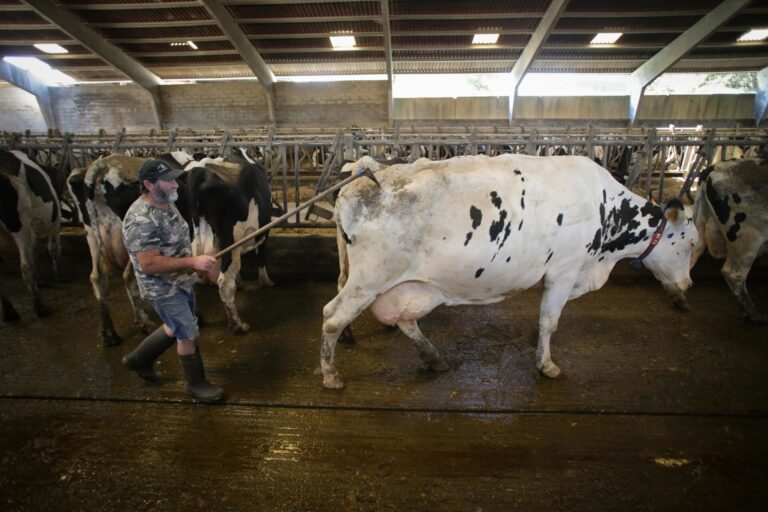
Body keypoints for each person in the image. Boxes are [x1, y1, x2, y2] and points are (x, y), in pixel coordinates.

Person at [121, 158, 224, 403]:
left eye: (174, 179)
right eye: (168, 181)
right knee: (187, 332)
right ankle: (196, 384)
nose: (175, 184)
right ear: (149, 184)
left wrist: (191, 265)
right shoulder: (141, 220)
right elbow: (149, 263)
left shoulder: (166, 203)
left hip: (181, 280)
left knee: (176, 324)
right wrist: (193, 262)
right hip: (163, 288)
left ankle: (139, 359)